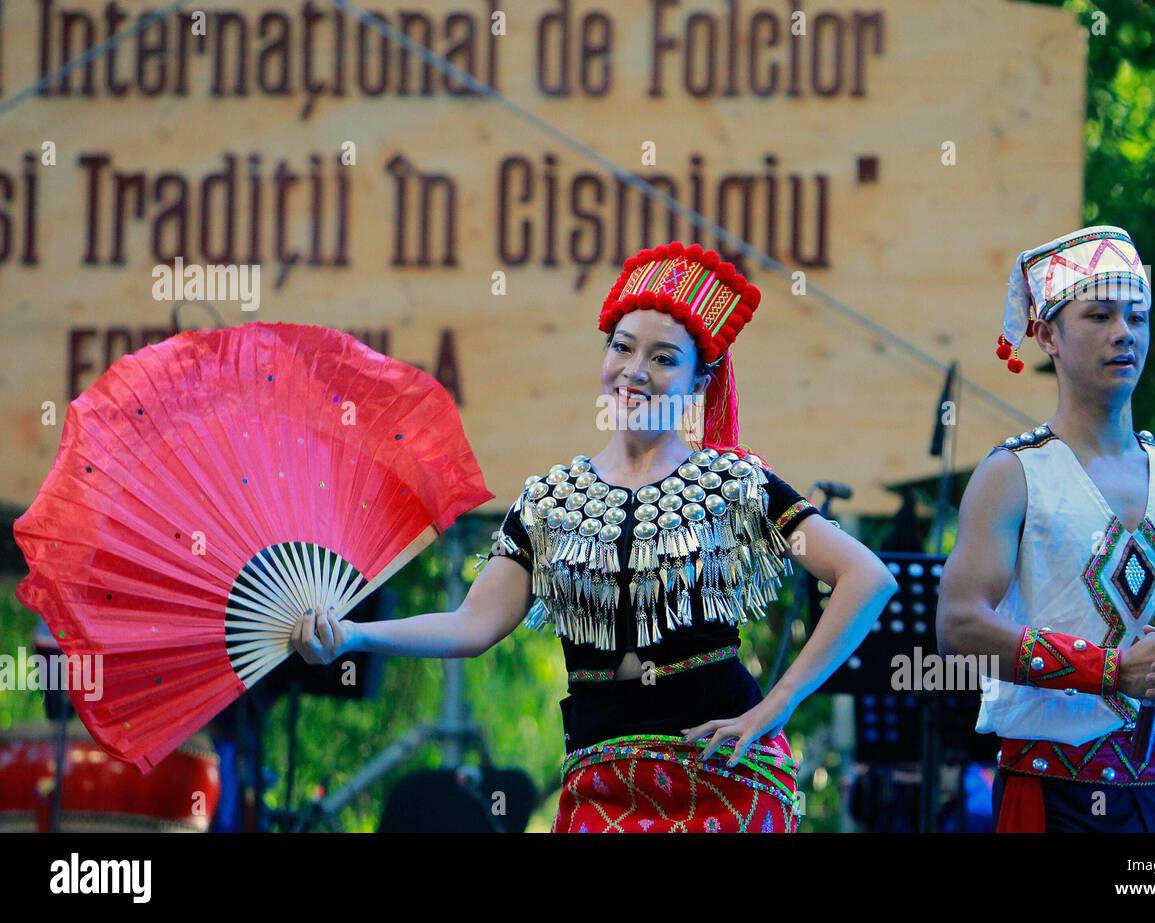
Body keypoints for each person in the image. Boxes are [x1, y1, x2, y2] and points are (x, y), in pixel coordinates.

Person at [291, 241, 898, 832]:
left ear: (697, 382)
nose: (634, 371)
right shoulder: (550, 500)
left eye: (663, 358)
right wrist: (353, 635)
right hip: (599, 788)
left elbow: (867, 577)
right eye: (622, 348)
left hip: (724, 780)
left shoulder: (735, 484)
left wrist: (778, 703)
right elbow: (473, 624)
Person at [937, 225, 1155, 833]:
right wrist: (1107, 668)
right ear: (1046, 333)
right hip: (1050, 796)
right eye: (1098, 315)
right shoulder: (1012, 476)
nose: (1123, 332)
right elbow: (960, 625)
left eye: (1137, 317)